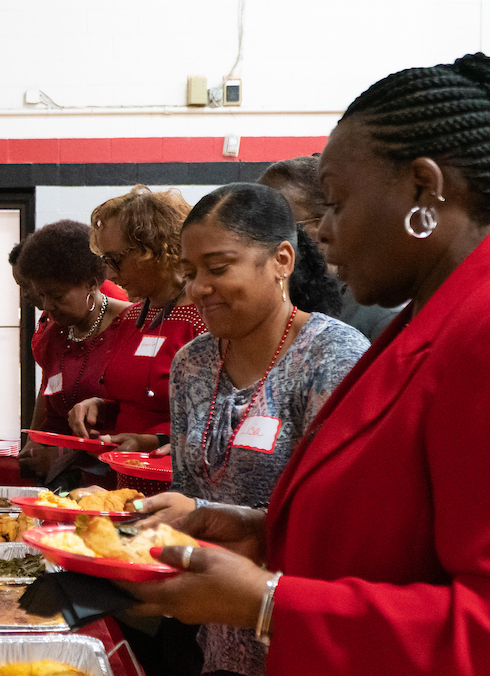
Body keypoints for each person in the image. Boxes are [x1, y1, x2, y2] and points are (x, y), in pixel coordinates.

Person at [120, 52, 490, 676]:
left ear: (424, 190)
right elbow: (399, 539)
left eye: (337, 205)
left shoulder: (475, 332)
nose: (327, 234)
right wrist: (263, 534)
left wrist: (268, 602)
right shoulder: (422, 324)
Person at [132, 182, 367, 676]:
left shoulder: (333, 358)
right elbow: (190, 493)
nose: (198, 288)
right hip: (213, 631)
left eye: (218, 269)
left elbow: (342, 523)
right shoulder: (192, 364)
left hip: (297, 631)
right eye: (190, 273)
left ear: (282, 260)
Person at [69, 186, 209, 452]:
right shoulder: (132, 316)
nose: (108, 272)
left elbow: (221, 417)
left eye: (115, 259)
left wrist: (158, 439)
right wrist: (98, 406)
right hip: (125, 472)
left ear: (154, 250)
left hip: (173, 481)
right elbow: (134, 402)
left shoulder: (204, 320)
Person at [11, 220, 131, 489]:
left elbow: (139, 414)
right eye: (42, 295)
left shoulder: (130, 324)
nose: (48, 306)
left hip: (120, 477)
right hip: (69, 481)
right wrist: (40, 445)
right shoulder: (54, 335)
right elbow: (50, 397)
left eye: (57, 295)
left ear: (90, 283)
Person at [259, 155, 399, 339]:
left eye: (281, 226)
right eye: (258, 228)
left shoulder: (378, 315)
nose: (266, 241)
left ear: (327, 221)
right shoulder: (274, 300)